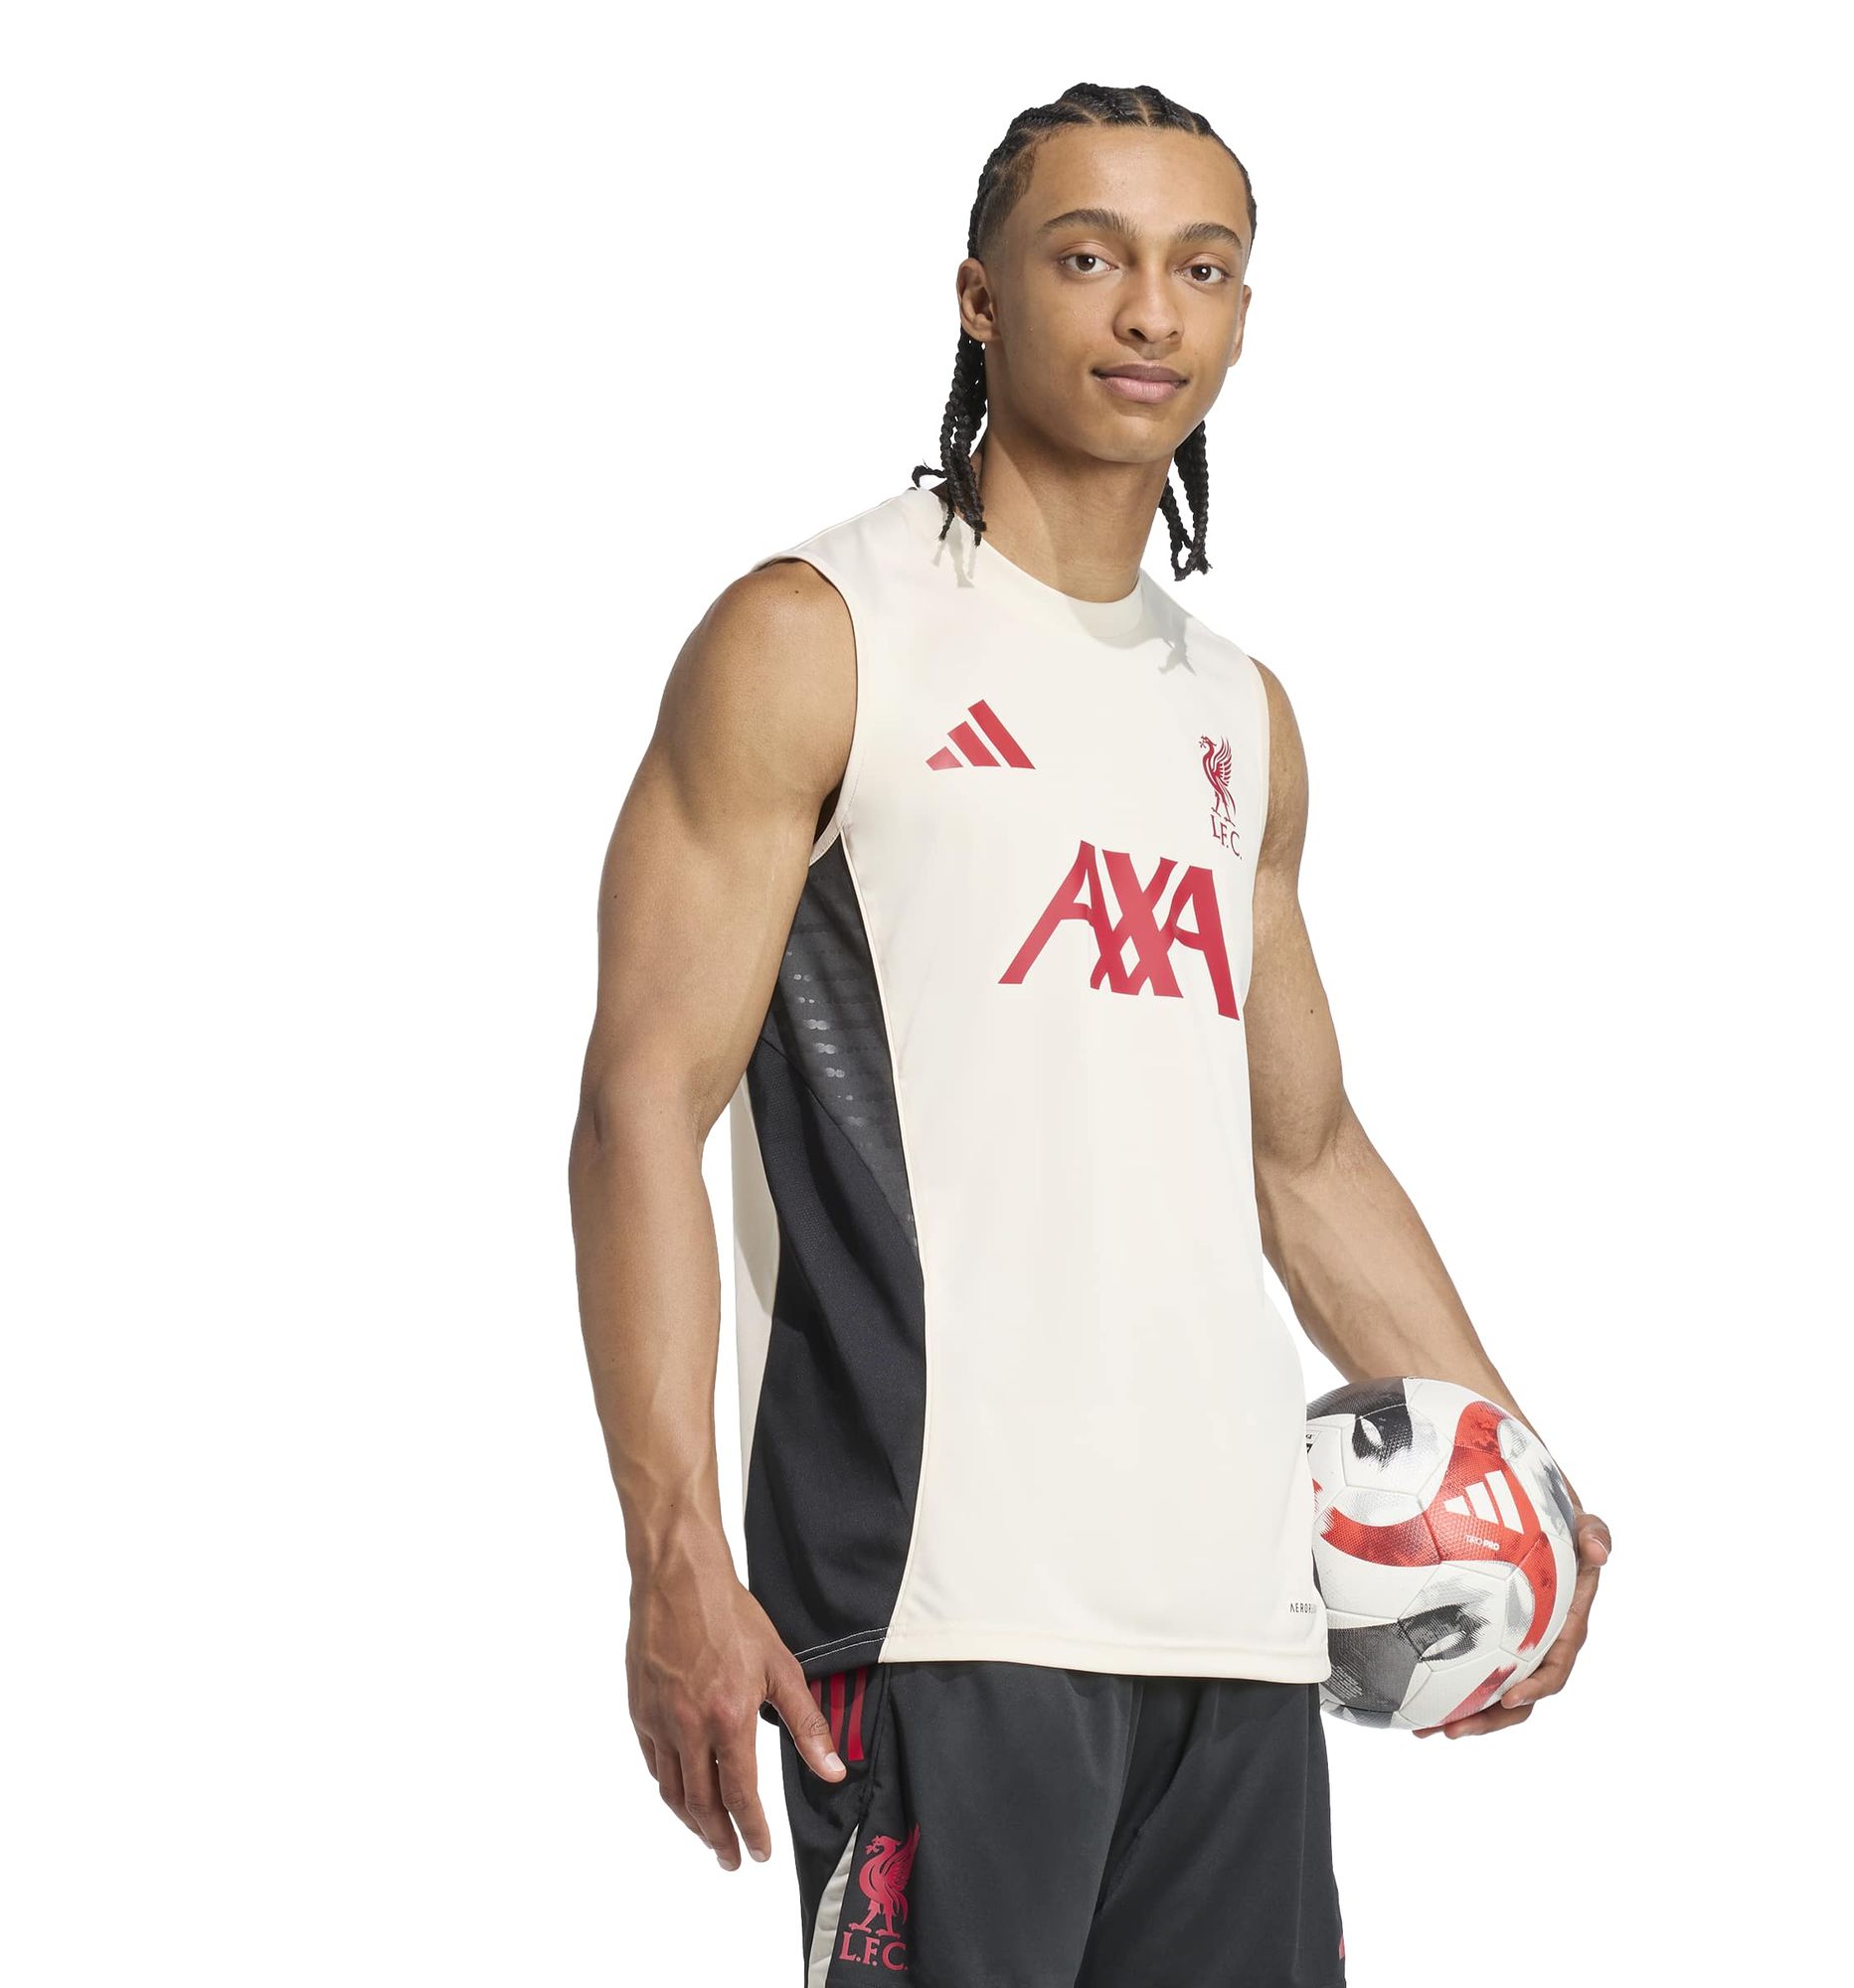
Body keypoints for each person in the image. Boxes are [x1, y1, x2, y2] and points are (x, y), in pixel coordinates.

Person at [568, 80, 1612, 1987]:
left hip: (1238, 1621)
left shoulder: (1237, 715)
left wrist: (1520, 1474)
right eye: (1089, 258)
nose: (1150, 313)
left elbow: (1302, 1155)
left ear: (1241, 314)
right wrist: (674, 1554)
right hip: (935, 1608)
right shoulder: (821, 636)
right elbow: (642, 1104)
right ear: (981, 298)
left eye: (1201, 270)